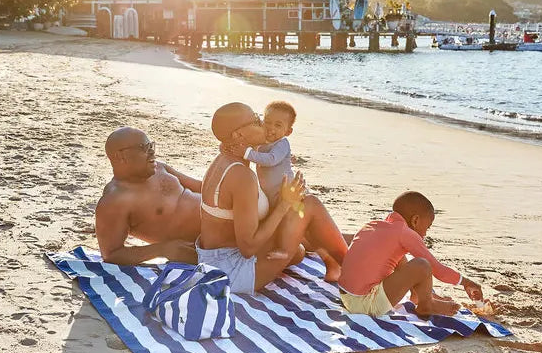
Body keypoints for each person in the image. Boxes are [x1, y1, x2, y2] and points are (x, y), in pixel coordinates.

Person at [197, 102, 348, 293]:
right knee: (309, 204)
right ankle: (354, 271)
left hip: (215, 259)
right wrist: (284, 204)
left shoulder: (225, 158)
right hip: (231, 271)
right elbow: (248, 248)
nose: (264, 125)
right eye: (257, 120)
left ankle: (334, 262)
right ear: (239, 135)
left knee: (298, 251)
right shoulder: (241, 176)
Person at [234, 100, 341, 280]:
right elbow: (250, 148)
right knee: (300, 231)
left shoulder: (282, 145)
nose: (271, 129)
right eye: (267, 122)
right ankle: (325, 257)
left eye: (278, 125)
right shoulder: (262, 142)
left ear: (288, 131)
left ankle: (296, 253)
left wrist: (246, 153)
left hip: (289, 193)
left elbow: (270, 160)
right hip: (273, 197)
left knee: (299, 227)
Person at [339, 191, 483, 319]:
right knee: (422, 265)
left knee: (399, 256)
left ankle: (418, 296)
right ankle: (426, 305)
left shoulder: (374, 225)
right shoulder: (404, 233)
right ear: (415, 220)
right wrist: (467, 282)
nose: (426, 234)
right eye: (427, 227)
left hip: (346, 296)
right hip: (366, 305)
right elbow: (438, 270)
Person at [95, 127, 202, 266]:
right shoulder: (114, 200)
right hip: (212, 241)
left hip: (224, 213)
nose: (152, 152)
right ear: (120, 156)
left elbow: (203, 188)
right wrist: (162, 249)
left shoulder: (160, 168)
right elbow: (111, 254)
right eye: (143, 148)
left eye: (151, 146)